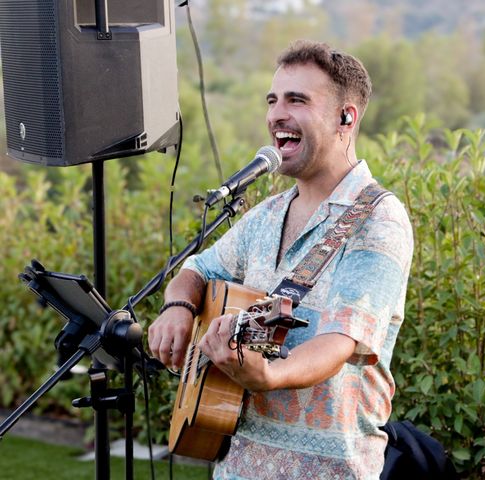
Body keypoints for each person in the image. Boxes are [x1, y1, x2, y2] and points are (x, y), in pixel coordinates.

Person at [148, 40, 414, 479]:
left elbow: (340, 340)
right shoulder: (266, 215)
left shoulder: (378, 219)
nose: (276, 114)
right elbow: (197, 269)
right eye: (273, 100)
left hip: (325, 471)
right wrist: (177, 307)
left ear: (345, 117)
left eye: (297, 100)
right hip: (236, 467)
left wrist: (269, 375)